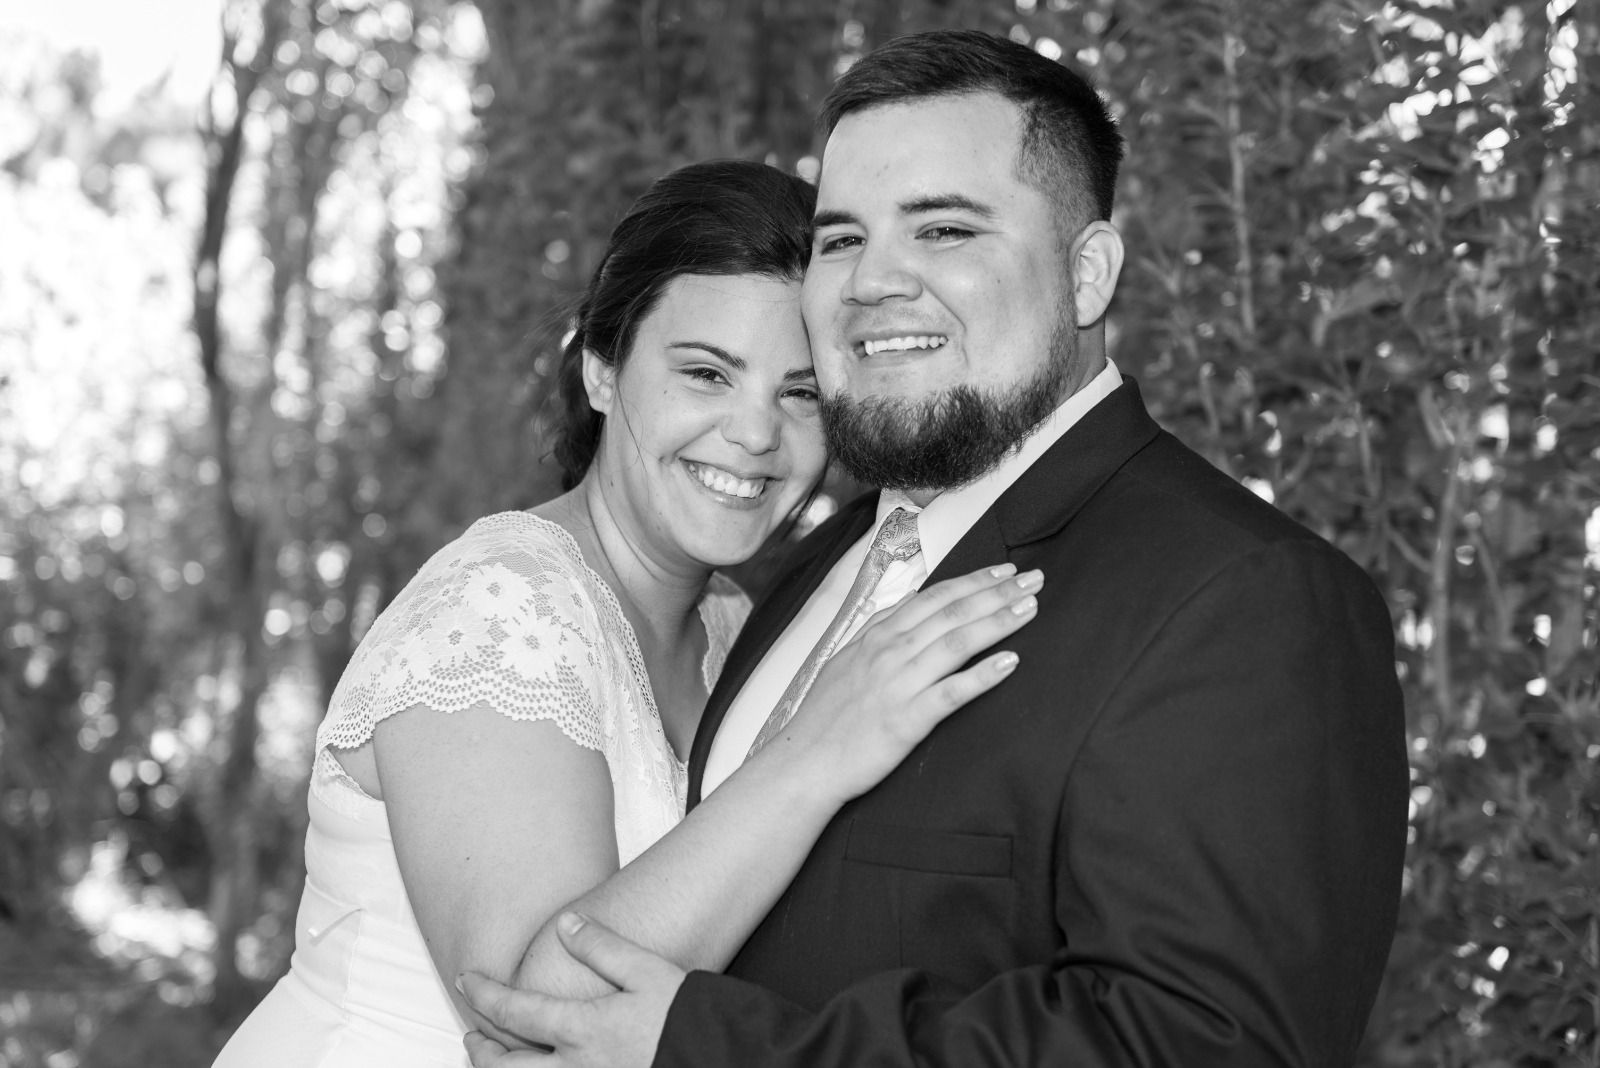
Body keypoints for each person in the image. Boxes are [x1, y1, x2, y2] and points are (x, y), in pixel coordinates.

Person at [459, 29, 1410, 1068]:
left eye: (944, 229)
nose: (874, 281)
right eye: (839, 239)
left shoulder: (1243, 601)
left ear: (1087, 274)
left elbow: (1200, 1046)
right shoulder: (806, 576)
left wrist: (710, 1049)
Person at [212, 158, 1041, 1067]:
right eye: (705, 373)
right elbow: (528, 1018)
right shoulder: (496, 610)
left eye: (800, 392)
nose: (757, 434)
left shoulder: (735, 624)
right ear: (603, 372)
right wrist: (819, 753)